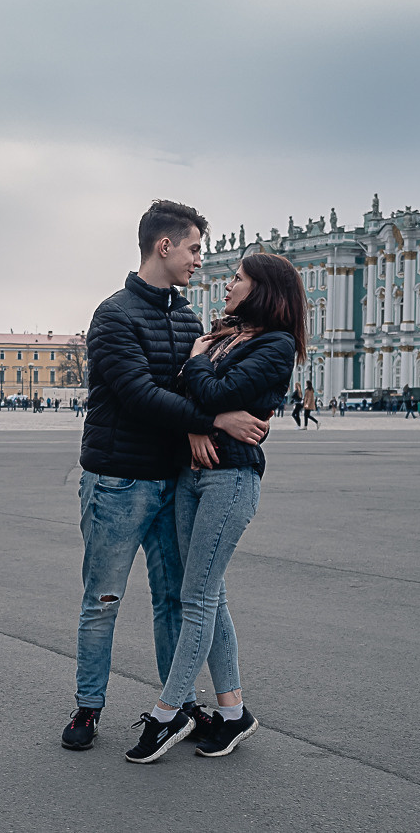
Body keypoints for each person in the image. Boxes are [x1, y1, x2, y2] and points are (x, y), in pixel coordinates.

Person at [61, 200, 269, 752]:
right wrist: (211, 420)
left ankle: (179, 706)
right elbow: (138, 396)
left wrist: (197, 430)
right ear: (165, 245)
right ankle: (88, 707)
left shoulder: (189, 319)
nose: (201, 259)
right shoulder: (113, 315)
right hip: (117, 481)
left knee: (174, 599)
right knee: (102, 599)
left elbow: (188, 387)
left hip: (173, 481)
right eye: (196, 248)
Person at [125, 252, 305, 763]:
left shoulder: (276, 345)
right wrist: (202, 417)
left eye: (238, 279)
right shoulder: (228, 337)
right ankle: (232, 712)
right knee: (211, 595)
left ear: (262, 289)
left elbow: (208, 387)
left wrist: (199, 364)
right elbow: (187, 394)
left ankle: (168, 713)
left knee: (196, 597)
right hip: (192, 472)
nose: (227, 284)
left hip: (231, 477)